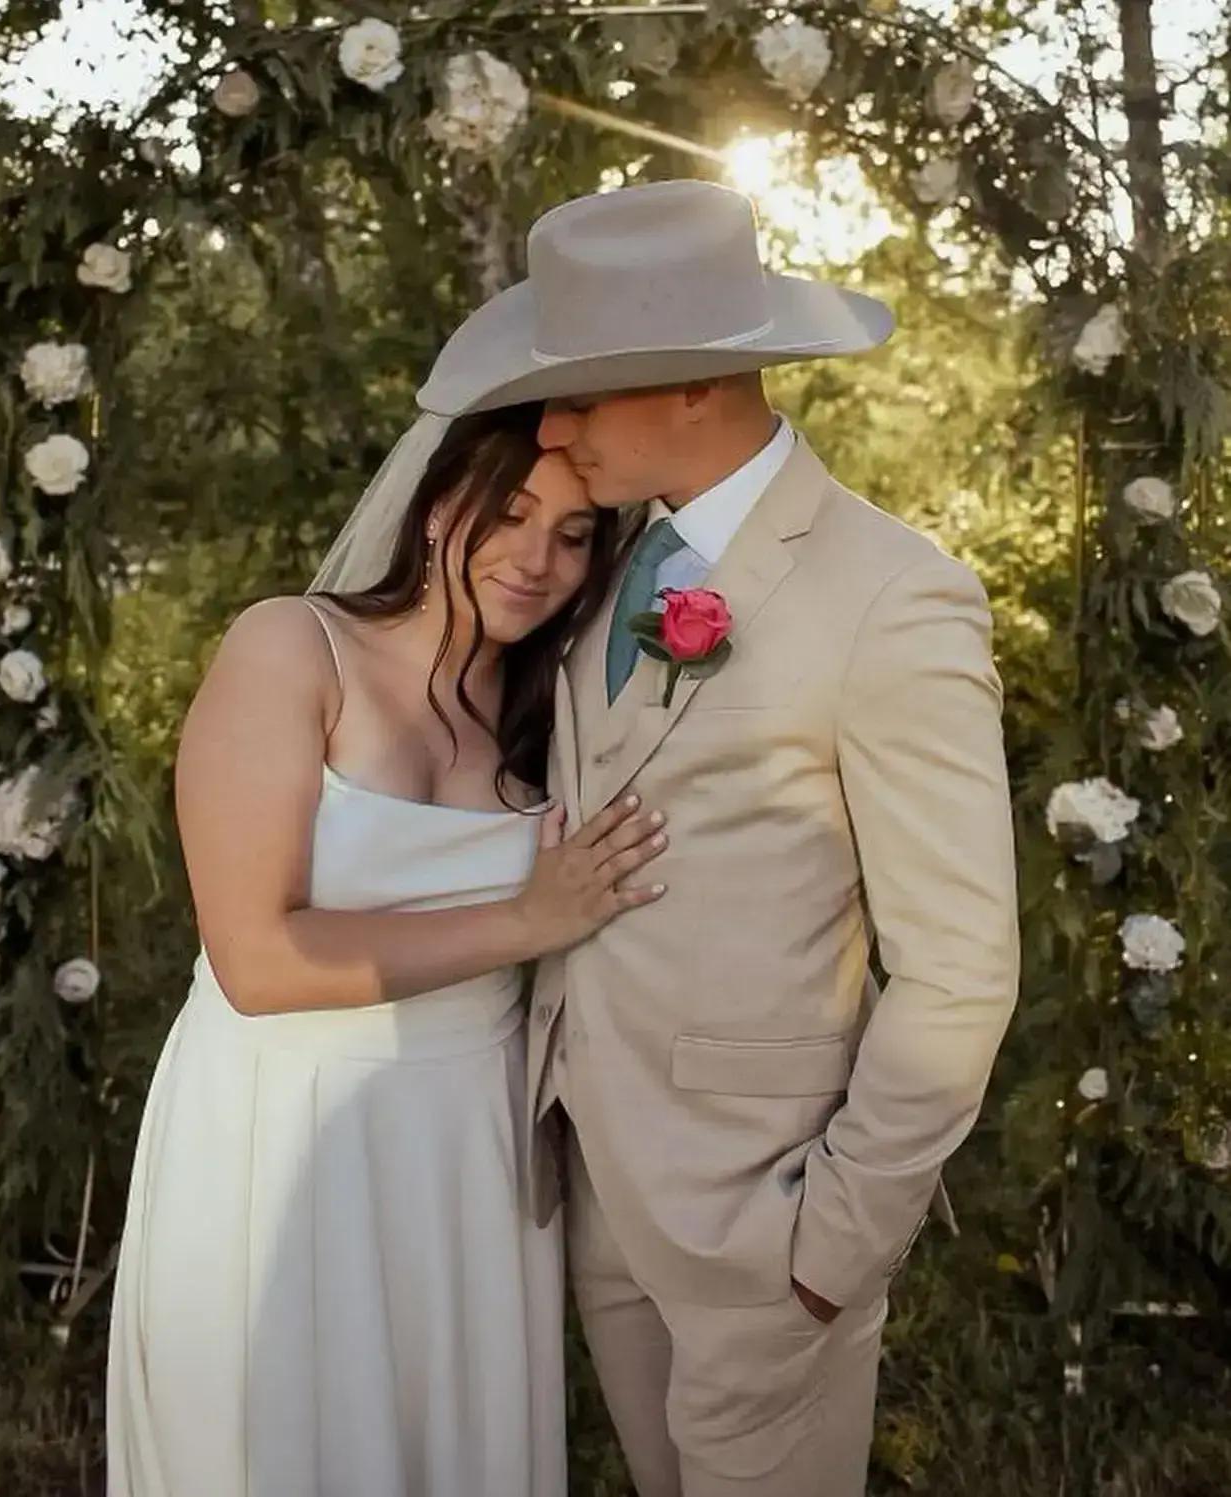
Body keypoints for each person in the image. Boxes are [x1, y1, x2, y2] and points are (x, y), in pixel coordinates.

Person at [418, 179, 1021, 1495]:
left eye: (583, 389)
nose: (556, 425)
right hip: (598, 1189)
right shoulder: (607, 561)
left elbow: (961, 965)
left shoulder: (891, 595)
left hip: (769, 1228)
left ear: (697, 386)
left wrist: (831, 1248)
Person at [105, 400, 670, 1497]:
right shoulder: (292, 647)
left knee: (448, 1445)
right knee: (282, 1444)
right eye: (507, 513)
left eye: (572, 534)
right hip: (283, 1132)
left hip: (469, 1146)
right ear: (432, 509)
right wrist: (525, 920)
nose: (534, 558)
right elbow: (257, 964)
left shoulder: (553, 714)